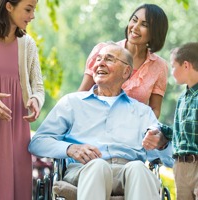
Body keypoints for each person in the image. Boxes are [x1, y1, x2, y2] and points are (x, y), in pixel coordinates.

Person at [29, 43, 173, 200]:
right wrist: (69, 148)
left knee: (138, 168)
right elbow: (38, 142)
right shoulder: (72, 102)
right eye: (98, 59)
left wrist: (162, 143)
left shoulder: (142, 112)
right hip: (84, 169)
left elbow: (170, 160)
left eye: (109, 59)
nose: (100, 63)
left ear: (126, 72)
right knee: (98, 166)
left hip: (127, 171)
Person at [78, 3, 169, 119]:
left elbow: (155, 109)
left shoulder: (160, 66)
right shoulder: (102, 51)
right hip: (93, 122)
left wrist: (143, 130)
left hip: (130, 131)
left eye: (144, 25)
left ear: (155, 32)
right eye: (134, 20)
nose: (135, 27)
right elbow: (81, 93)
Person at [0, 0, 44, 200]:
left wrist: (35, 100)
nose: (32, 15)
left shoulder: (27, 44)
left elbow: (38, 87)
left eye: (33, 9)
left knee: (18, 189)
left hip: (17, 126)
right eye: (28, 9)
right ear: (9, 6)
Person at [157, 43, 198, 200]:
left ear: (186, 65)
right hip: (181, 166)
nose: (171, 73)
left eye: (173, 67)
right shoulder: (182, 98)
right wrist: (159, 129)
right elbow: (181, 134)